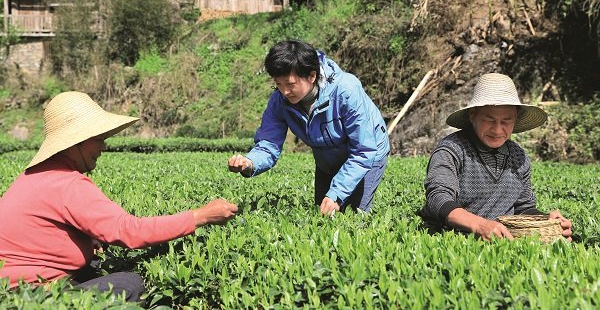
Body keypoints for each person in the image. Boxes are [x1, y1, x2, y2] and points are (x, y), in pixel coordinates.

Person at [0, 91, 238, 301]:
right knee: (130, 284)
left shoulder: (34, 176)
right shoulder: (68, 184)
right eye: (99, 139)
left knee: (97, 263)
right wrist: (201, 216)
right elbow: (128, 231)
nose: (104, 147)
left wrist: (85, 239)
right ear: (77, 142)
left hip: (17, 286)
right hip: (28, 294)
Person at [228, 40, 390, 216]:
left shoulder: (346, 90)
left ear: (312, 76)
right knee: (321, 216)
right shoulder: (279, 100)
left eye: (290, 84)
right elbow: (269, 143)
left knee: (354, 216)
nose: (284, 92)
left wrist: (336, 194)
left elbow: (363, 150)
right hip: (325, 157)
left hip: (366, 155)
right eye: (278, 84)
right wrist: (249, 163)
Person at [420, 73, 572, 241]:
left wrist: (546, 221)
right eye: (489, 119)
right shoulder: (452, 149)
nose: (498, 130)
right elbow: (438, 198)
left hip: (502, 243)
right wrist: (479, 225)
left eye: (506, 121)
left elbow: (523, 207)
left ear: (515, 119)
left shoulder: (518, 156)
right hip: (452, 241)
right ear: (473, 115)